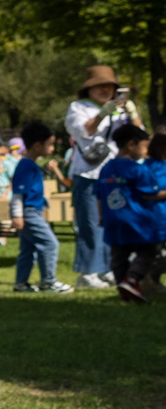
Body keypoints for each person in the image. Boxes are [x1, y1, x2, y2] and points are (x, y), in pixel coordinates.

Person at [66, 65, 135, 288]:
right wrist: (102, 113)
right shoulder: (78, 107)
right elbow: (85, 130)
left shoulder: (121, 110)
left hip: (113, 175)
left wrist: (131, 113)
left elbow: (136, 136)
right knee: (89, 223)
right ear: (89, 89)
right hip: (88, 173)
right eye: (99, 86)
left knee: (110, 223)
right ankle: (88, 272)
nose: (105, 89)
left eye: (110, 86)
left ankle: (107, 269)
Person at [100, 124, 162, 300]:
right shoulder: (137, 168)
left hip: (112, 220)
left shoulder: (106, 168)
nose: (146, 151)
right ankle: (132, 279)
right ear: (131, 144)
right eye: (144, 146)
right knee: (149, 250)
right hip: (136, 220)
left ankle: (125, 291)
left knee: (119, 256)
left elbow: (99, 195)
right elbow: (149, 193)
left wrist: (101, 216)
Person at [12, 123, 74, 294]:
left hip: (32, 211)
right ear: (37, 145)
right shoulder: (26, 166)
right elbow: (18, 193)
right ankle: (48, 281)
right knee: (50, 243)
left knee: (28, 249)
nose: (53, 148)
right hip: (28, 212)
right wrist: (17, 215)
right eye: (50, 144)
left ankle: (21, 283)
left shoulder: (31, 165)